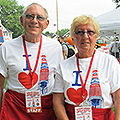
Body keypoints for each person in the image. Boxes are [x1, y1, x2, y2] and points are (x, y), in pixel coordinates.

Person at [0, 3, 63, 120]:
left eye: (40, 17)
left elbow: (59, 83)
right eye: (29, 16)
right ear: (21, 20)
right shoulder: (7, 47)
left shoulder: (55, 47)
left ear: (46, 24)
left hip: (45, 109)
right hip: (15, 108)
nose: (34, 21)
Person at [53, 15, 120, 120]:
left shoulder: (110, 62)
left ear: (96, 36)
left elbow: (118, 97)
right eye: (79, 32)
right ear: (73, 38)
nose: (85, 36)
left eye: (90, 32)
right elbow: (58, 100)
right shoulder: (63, 66)